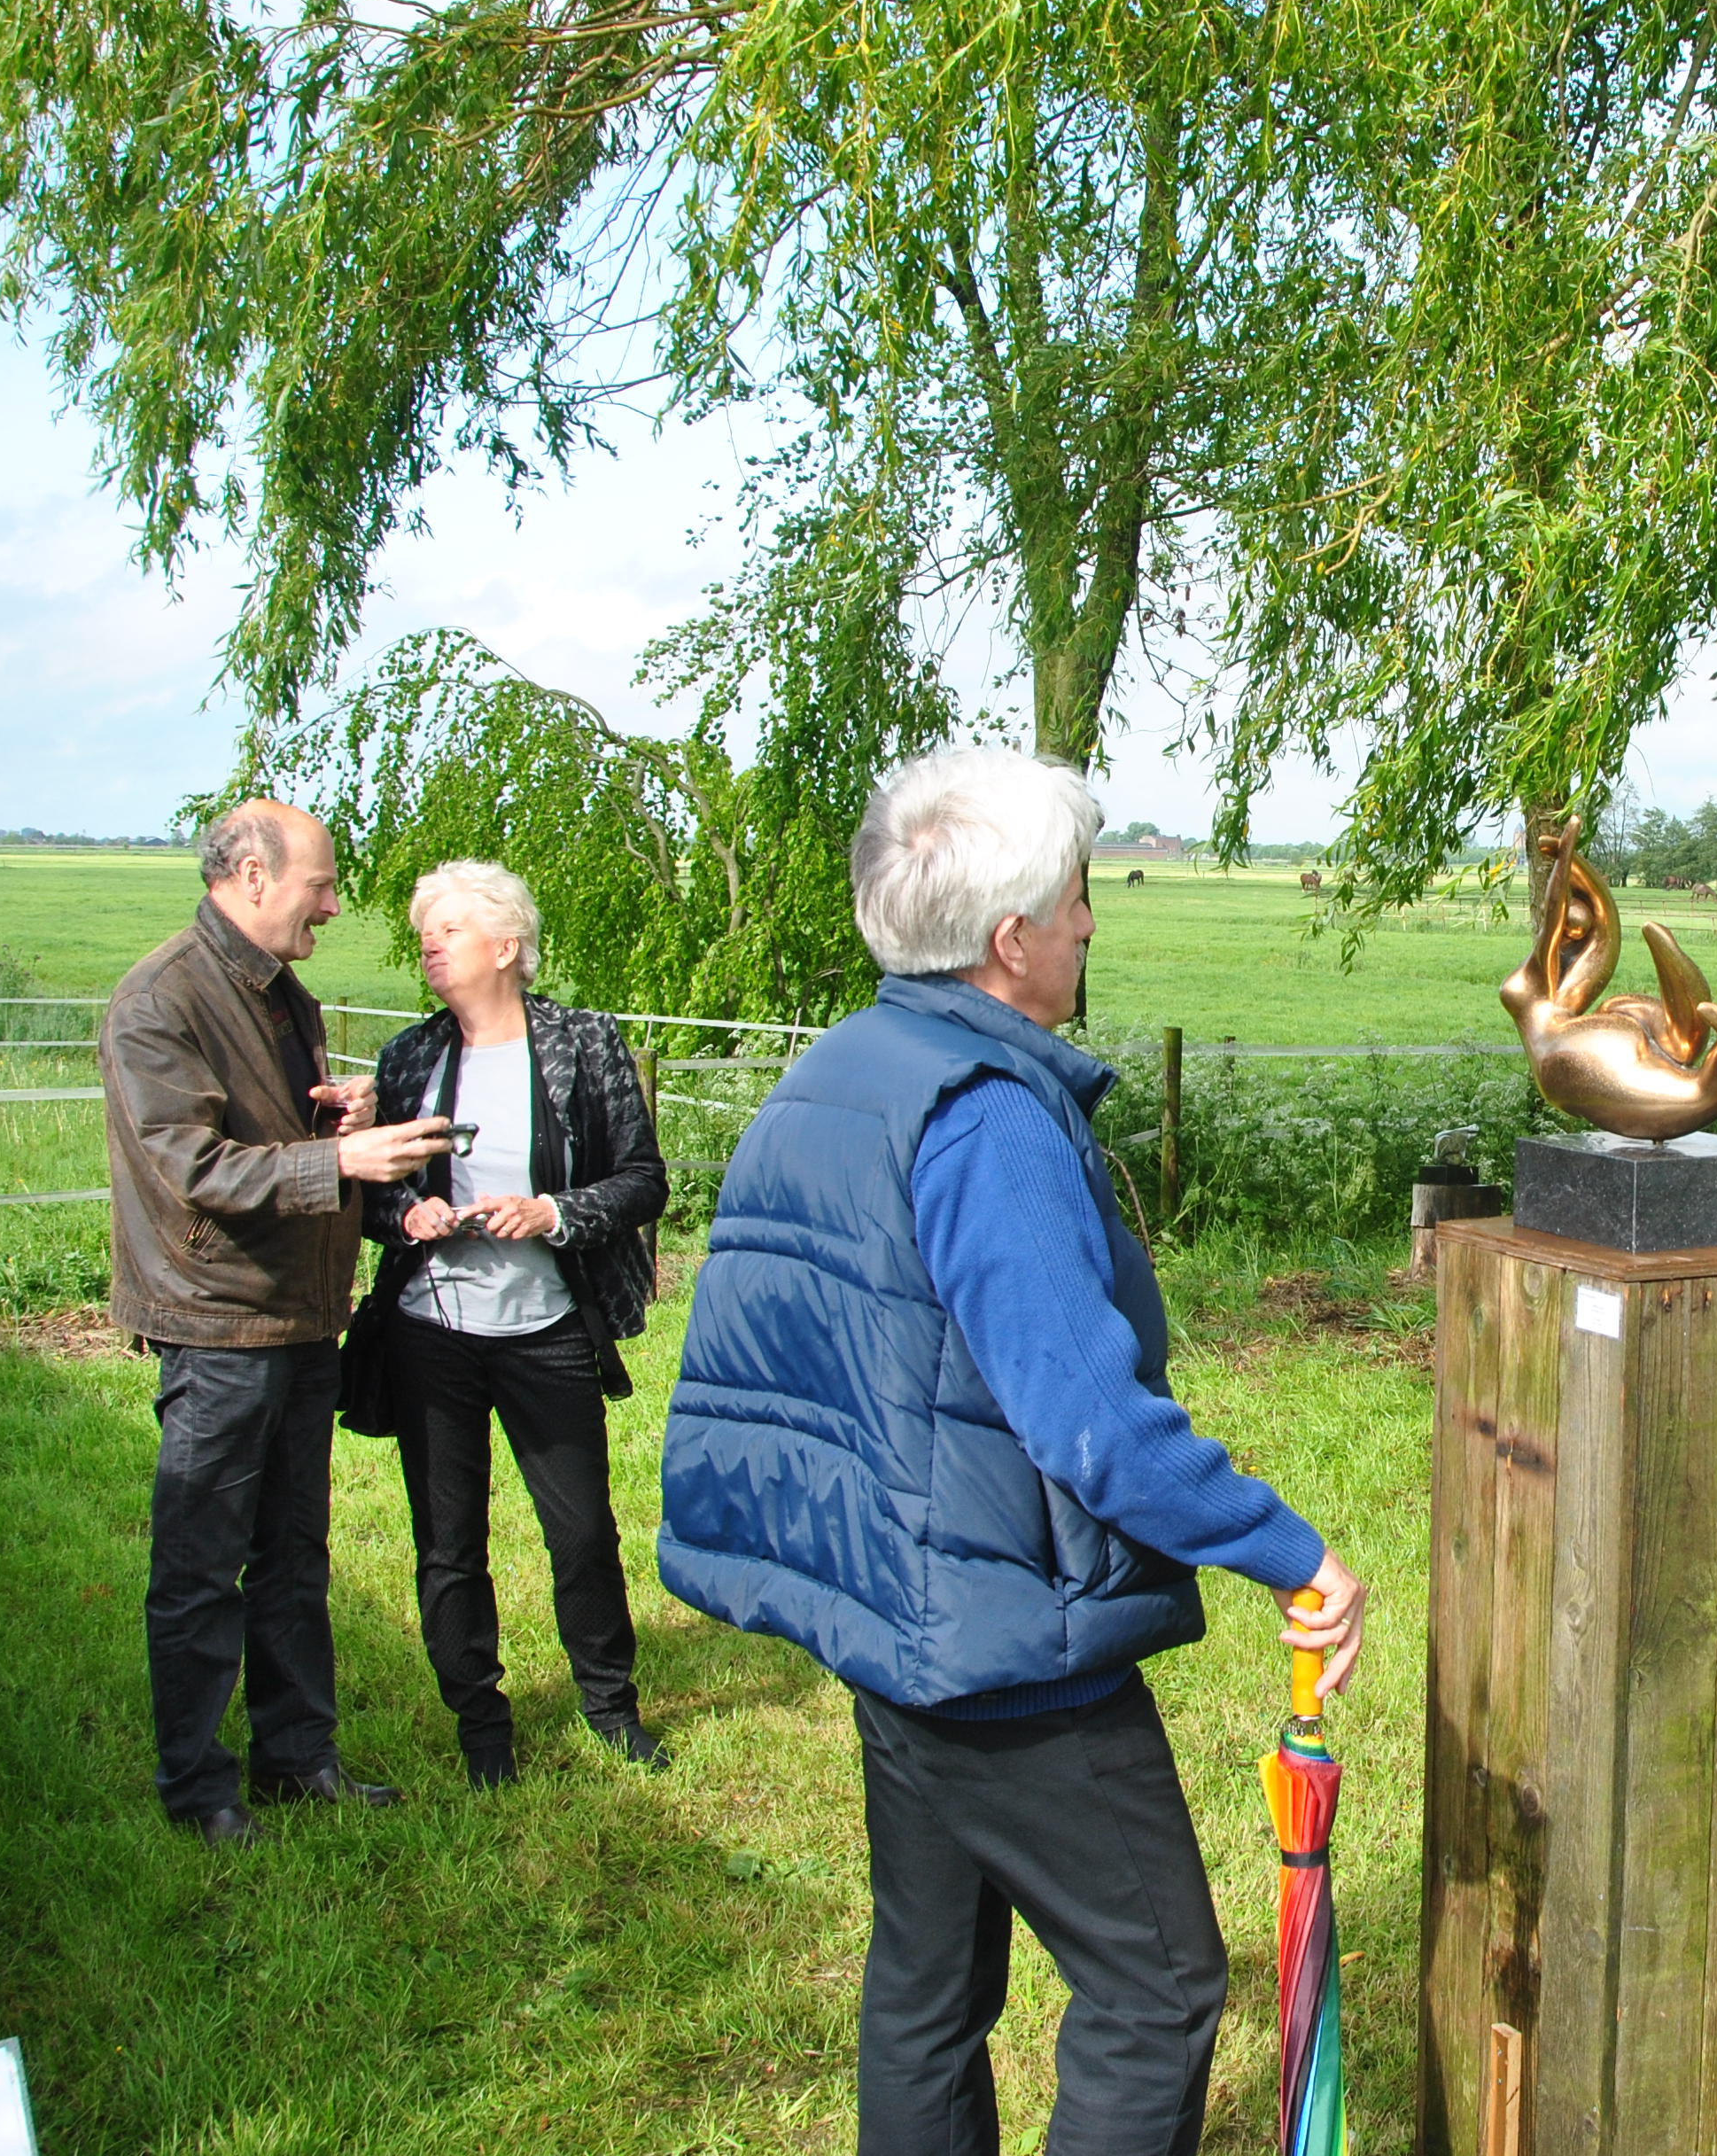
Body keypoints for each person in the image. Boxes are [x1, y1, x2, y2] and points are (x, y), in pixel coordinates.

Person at [658, 745, 1367, 2156]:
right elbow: (1092, 1424)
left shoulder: (848, 1067)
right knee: (1158, 1987)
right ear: (1011, 938)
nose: (1095, 922)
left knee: (927, 1985)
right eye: (1080, 896)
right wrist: (1292, 1553)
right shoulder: (985, 1117)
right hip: (1000, 1655)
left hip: (891, 1618)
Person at [102, 800, 451, 1844]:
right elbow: (190, 1165)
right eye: (323, 884)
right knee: (202, 1565)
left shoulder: (275, 989)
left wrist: (328, 1116)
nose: (335, 906)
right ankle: (201, 1793)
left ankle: (300, 1760)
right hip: (216, 1324)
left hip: (298, 1317)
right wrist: (338, 1161)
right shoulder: (159, 1000)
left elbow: (256, 1129)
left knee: (296, 1555)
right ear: (251, 875)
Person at [359, 860, 672, 1790]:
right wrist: (404, 1215)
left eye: (447, 928)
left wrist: (552, 1214)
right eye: (425, 930)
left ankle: (610, 1709)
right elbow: (374, 1198)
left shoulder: (582, 1045)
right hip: (431, 1330)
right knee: (448, 1541)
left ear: (506, 946)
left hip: (545, 1328)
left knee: (580, 1532)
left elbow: (641, 1178)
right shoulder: (411, 1057)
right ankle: (481, 1728)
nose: (428, 943)